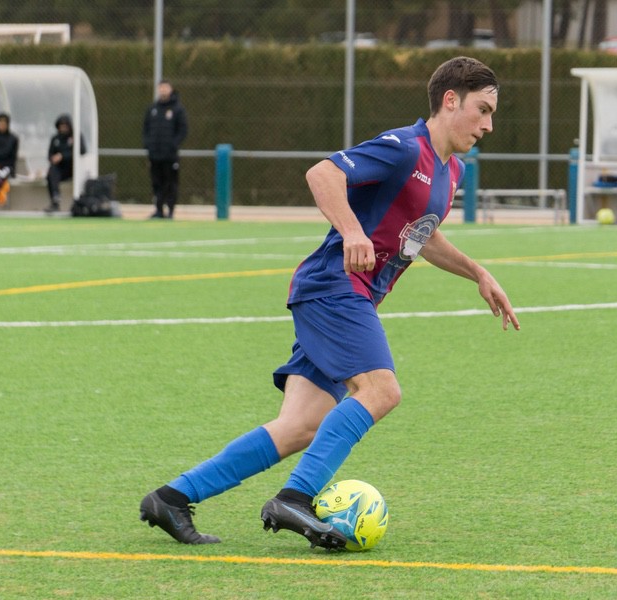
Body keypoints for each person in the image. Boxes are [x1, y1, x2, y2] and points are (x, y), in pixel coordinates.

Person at [139, 56, 520, 548]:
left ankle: (172, 497)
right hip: (335, 287)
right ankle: (296, 498)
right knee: (382, 391)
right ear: (451, 101)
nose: (489, 125)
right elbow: (322, 174)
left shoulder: (453, 172)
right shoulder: (406, 148)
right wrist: (352, 230)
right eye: (483, 110)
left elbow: (420, 235)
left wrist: (477, 273)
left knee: (300, 425)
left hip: (345, 295)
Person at [142, 79, 188, 219]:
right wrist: (148, 145)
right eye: (160, 87)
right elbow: (146, 129)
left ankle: (171, 210)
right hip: (155, 155)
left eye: (165, 87)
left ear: (170, 89)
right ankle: (158, 210)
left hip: (170, 155)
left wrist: (173, 145)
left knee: (170, 183)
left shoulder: (178, 109)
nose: (162, 90)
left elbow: (183, 130)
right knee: (156, 183)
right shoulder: (152, 109)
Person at [44, 114, 87, 213]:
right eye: (61, 126)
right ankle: (55, 200)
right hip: (59, 170)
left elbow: (83, 150)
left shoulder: (76, 136)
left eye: (65, 125)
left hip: (72, 169)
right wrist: (53, 158)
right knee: (51, 173)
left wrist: (63, 156)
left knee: (53, 172)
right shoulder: (55, 139)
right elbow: (50, 154)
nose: (63, 128)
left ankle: (78, 204)